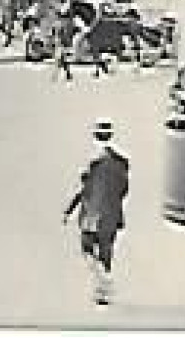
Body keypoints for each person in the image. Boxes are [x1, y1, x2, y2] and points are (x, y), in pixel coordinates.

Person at [62, 119, 130, 306]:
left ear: (94, 136)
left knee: (87, 249)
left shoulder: (92, 163)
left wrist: (69, 211)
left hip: (91, 215)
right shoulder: (122, 162)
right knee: (106, 252)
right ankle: (103, 292)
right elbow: (124, 190)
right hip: (112, 215)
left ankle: (102, 286)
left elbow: (82, 190)